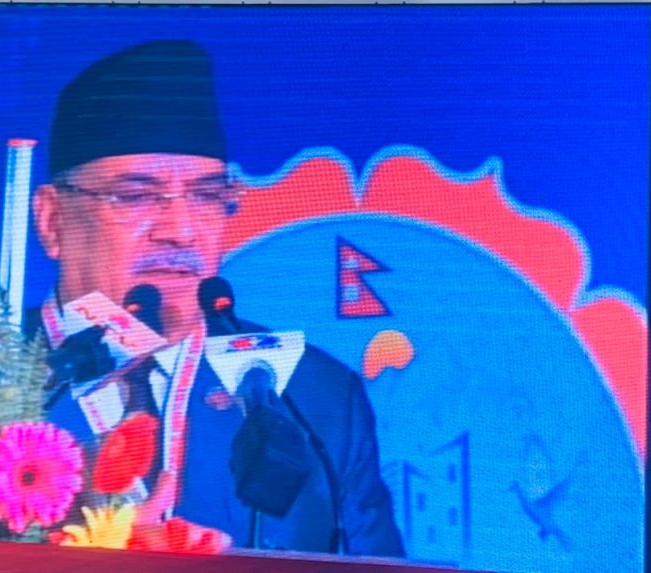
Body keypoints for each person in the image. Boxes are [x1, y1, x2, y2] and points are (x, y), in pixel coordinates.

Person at [31, 40, 404, 558]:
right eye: (136, 195)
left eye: (208, 196)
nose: (181, 231)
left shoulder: (311, 395)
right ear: (53, 222)